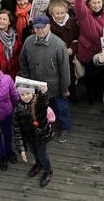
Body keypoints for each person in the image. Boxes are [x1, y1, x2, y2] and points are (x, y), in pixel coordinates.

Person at [18, 15, 72, 143]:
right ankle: (46, 128)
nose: (39, 30)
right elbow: (23, 61)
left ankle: (65, 128)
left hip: (55, 86)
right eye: (36, 27)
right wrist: (27, 81)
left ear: (49, 26)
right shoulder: (28, 41)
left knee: (61, 108)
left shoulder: (59, 45)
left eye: (42, 27)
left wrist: (64, 89)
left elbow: (64, 70)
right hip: (35, 86)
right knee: (40, 109)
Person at [73, 0, 104, 104]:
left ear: (103, 2)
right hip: (88, 52)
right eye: (94, 3)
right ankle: (91, 96)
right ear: (89, 4)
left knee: (103, 76)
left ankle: (102, 95)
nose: (96, 5)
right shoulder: (84, 14)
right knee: (89, 77)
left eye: (99, 2)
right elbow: (77, 3)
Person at [13, 86, 55, 187]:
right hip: (29, 138)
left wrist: (44, 92)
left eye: (28, 93)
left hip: (41, 136)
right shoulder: (17, 108)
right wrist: (21, 149)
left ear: (32, 93)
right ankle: (38, 164)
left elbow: (44, 103)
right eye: (22, 94)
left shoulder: (38, 104)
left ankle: (48, 171)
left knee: (42, 155)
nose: (26, 97)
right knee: (34, 153)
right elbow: (17, 129)